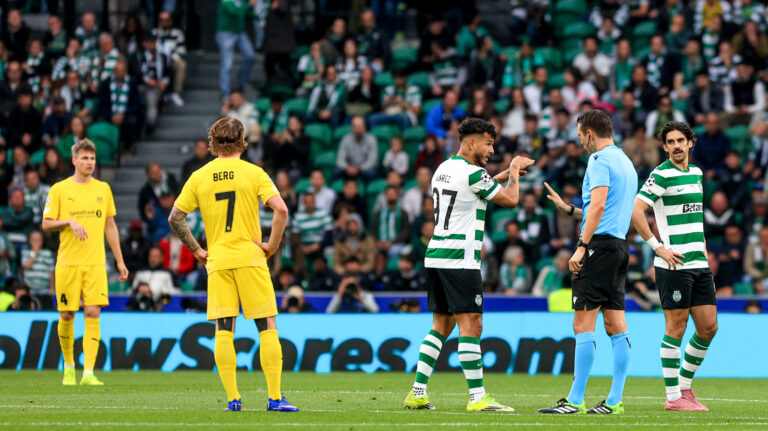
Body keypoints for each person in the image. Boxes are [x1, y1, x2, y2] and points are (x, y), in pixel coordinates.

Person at [404, 117, 534, 412]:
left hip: (436, 254)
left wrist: (500, 175)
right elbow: (511, 200)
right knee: (471, 325)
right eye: (488, 144)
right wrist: (513, 169)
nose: (491, 150)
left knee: (440, 325)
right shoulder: (474, 174)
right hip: (460, 258)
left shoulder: (444, 168)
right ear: (472, 142)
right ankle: (478, 398)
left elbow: (475, 186)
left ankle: (417, 391)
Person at [168, 117, 298, 412]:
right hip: (251, 258)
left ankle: (233, 399)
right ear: (243, 141)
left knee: (224, 329)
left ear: (212, 142)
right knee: (266, 326)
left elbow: (175, 217)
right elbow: (281, 209)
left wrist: (198, 250)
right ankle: (275, 398)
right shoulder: (254, 173)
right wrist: (272, 245)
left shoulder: (200, 175)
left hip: (218, 260)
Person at [540, 109, 637, 415]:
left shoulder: (599, 160)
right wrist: (568, 210)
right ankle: (614, 401)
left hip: (597, 248)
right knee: (616, 324)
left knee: (583, 324)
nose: (580, 141)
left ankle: (575, 400)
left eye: (580, 135)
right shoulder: (626, 162)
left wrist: (581, 247)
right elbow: (607, 211)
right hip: (619, 247)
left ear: (590, 133)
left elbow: (596, 205)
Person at [631, 121, 717, 411]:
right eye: (671, 141)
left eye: (681, 140)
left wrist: (703, 246)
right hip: (674, 264)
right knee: (676, 328)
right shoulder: (660, 175)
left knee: (708, 327)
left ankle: (684, 386)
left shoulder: (696, 173)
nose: (677, 145)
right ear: (665, 146)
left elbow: (696, 216)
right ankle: (673, 398)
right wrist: (658, 248)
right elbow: (636, 211)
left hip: (699, 262)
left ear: (691, 143)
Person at [42, 139, 129, 386]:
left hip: (95, 263)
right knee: (67, 314)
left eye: (92, 158)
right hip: (68, 263)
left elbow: (110, 226)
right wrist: (68, 221)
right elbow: (46, 223)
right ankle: (69, 367)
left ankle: (88, 372)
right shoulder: (59, 189)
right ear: (74, 160)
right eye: (84, 158)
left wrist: (120, 261)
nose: (89, 162)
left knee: (92, 312)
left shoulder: (103, 189)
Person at [215, 0, 257, 99]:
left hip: (239, 32)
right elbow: (234, 12)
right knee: (227, 64)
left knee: (250, 56)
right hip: (226, 33)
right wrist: (249, 4)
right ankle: (225, 93)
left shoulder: (243, 2)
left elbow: (249, 14)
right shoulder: (226, 1)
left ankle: (241, 83)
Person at [152, 11, 186, 106]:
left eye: (166, 20)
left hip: (172, 60)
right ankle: (161, 92)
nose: (164, 22)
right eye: (161, 20)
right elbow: (150, 49)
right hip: (157, 60)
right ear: (158, 21)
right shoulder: (154, 33)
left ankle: (175, 92)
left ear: (171, 21)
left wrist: (169, 59)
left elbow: (181, 51)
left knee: (181, 64)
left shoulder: (177, 33)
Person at [21, 230, 54, 297]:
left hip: (45, 289)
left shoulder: (47, 253)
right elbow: (27, 266)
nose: (36, 242)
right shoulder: (25, 253)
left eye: (38, 240)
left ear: (42, 241)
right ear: (29, 241)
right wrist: (34, 253)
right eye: (33, 240)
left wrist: (52, 288)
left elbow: (51, 272)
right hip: (30, 289)